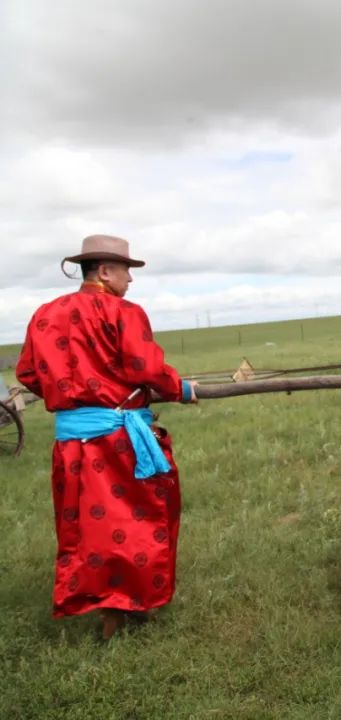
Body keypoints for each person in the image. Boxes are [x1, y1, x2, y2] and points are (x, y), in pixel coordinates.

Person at [16, 234, 197, 638]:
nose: (130, 282)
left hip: (71, 445)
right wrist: (178, 388)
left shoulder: (45, 314)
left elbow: (28, 373)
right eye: (126, 272)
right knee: (140, 518)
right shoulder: (124, 312)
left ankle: (109, 606)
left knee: (88, 525)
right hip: (118, 443)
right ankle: (126, 604)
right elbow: (144, 367)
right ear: (104, 271)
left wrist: (72, 399)